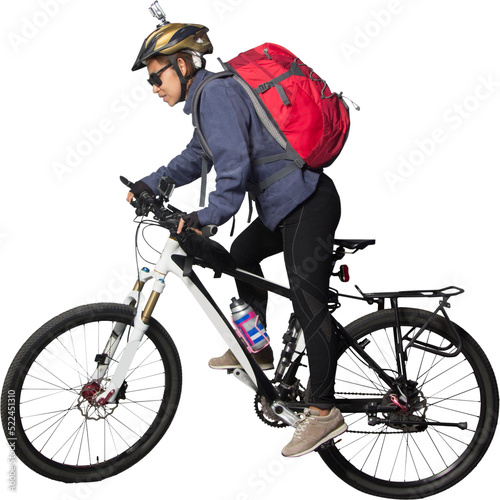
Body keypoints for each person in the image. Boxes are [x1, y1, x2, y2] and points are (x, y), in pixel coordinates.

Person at [128, 21, 347, 457]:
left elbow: (233, 166)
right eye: (150, 80)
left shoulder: (216, 94)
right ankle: (258, 347)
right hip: (285, 205)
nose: (153, 86)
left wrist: (207, 217)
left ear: (184, 64)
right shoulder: (209, 98)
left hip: (306, 203)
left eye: (157, 76)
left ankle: (324, 412)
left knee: (308, 303)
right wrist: (154, 182)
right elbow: (199, 155)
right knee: (243, 253)